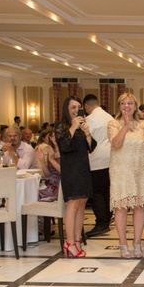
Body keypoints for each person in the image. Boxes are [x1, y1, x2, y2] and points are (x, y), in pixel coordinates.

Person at [108, 93, 144, 259]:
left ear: (135, 106)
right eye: (123, 103)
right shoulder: (113, 123)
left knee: (139, 207)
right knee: (121, 207)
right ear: (119, 106)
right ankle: (123, 244)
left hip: (139, 171)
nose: (126, 106)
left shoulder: (142, 124)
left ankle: (137, 243)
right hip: (120, 171)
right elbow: (115, 144)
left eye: (130, 103)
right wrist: (125, 126)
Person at [55, 96, 96, 258]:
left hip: (83, 169)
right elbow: (64, 146)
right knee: (72, 205)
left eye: (78, 107)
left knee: (81, 204)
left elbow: (92, 147)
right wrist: (72, 127)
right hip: (71, 171)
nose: (76, 110)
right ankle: (69, 242)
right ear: (66, 109)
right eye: (73, 107)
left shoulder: (81, 127)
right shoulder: (61, 126)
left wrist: (87, 133)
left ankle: (78, 240)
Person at [83, 94, 113, 237]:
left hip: (96, 159)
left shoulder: (88, 120)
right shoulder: (110, 118)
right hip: (111, 159)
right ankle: (106, 220)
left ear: (87, 106)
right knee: (107, 192)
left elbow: (86, 141)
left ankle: (101, 223)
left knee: (97, 194)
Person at [35, 128, 61, 201]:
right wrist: (42, 161)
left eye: (55, 136)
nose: (53, 138)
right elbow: (46, 174)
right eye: (51, 136)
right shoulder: (44, 148)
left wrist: (56, 146)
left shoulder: (56, 149)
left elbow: (62, 169)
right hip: (50, 182)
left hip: (59, 183)